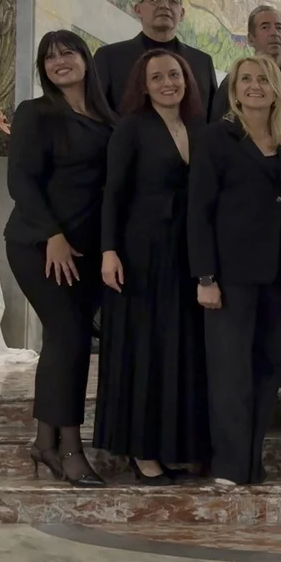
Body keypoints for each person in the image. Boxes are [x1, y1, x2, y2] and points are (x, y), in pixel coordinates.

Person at [4, 30, 116, 488]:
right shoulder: (35, 114)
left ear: (85, 60)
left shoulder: (109, 118)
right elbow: (21, 182)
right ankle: (70, 449)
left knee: (60, 341)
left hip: (88, 252)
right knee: (70, 338)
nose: (59, 63)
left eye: (67, 53)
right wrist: (53, 234)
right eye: (49, 59)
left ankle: (43, 441)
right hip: (40, 245)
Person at [94, 50, 210, 483]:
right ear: (143, 85)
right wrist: (109, 252)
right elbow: (113, 195)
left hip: (187, 255)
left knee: (179, 351)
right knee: (144, 351)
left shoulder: (201, 128)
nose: (168, 83)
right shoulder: (130, 128)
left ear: (188, 80)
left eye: (175, 75)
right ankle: (143, 453)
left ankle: (174, 446)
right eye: (157, 76)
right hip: (140, 256)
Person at [187, 55, 281, 485]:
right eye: (245, 80)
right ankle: (229, 465)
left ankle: (251, 462)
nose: (254, 86)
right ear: (234, 91)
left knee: (267, 369)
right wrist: (205, 277)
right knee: (230, 375)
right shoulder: (217, 139)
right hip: (228, 278)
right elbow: (199, 212)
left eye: (263, 80)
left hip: (276, 280)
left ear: (276, 90)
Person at [210, 5, 281, 389]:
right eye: (265, 27)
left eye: (280, 27)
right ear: (251, 36)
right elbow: (219, 139)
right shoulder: (234, 82)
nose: (274, 33)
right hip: (244, 208)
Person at [94, 0, 217, 119]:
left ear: (182, 13)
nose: (164, 6)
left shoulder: (202, 62)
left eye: (173, 1)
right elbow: (96, 114)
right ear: (138, 10)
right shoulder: (109, 58)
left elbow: (212, 119)